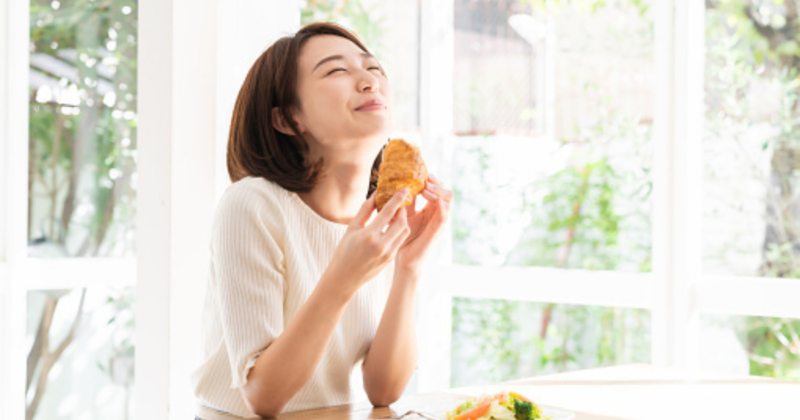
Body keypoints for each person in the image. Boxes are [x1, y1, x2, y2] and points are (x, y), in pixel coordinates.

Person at [190, 22, 453, 420]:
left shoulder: (379, 219)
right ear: (289, 119)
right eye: (336, 71)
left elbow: (383, 391)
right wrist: (343, 275)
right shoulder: (252, 205)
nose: (368, 82)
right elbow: (262, 398)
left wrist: (408, 268)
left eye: (373, 68)